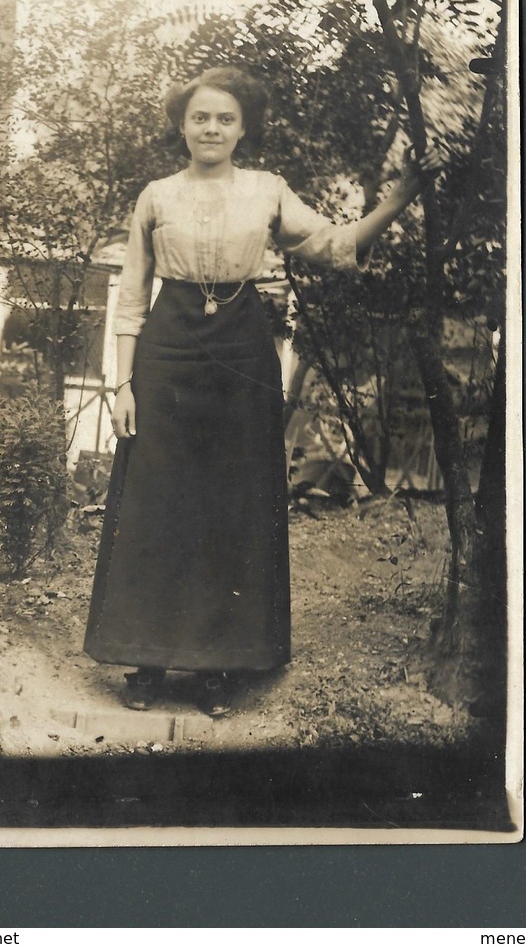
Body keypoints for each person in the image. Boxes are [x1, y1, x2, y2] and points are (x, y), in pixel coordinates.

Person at [84, 65, 434, 717]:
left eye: (223, 118)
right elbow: (130, 297)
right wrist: (123, 384)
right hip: (166, 348)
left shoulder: (267, 191)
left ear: (242, 128)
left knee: (231, 500)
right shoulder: (155, 196)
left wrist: (396, 200)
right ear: (182, 126)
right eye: (199, 117)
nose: (210, 128)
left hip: (242, 349)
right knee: (157, 498)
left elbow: (332, 246)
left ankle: (221, 666)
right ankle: (148, 658)